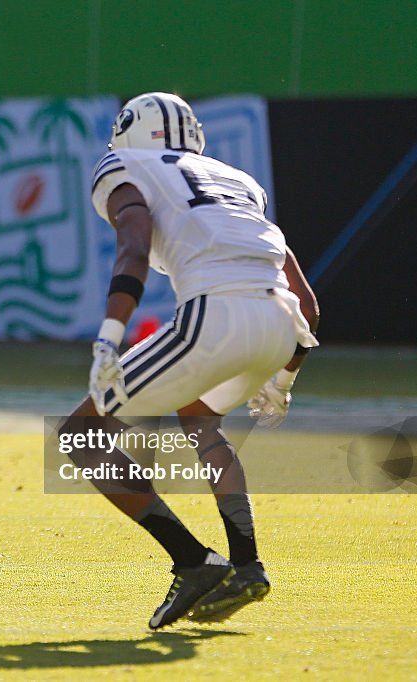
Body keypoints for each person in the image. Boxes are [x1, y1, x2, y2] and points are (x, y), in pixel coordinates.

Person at [63, 92, 319, 629]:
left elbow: (133, 249)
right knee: (200, 419)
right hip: (282, 322)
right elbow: (307, 301)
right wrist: (284, 377)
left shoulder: (124, 165)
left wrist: (110, 338)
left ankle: (193, 560)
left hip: (216, 315)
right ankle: (247, 566)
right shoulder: (238, 181)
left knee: (80, 435)